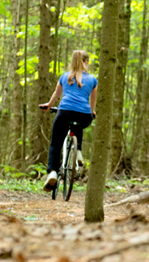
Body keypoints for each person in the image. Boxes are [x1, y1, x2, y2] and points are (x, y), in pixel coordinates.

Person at [39, 50, 98, 192]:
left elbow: (56, 94)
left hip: (64, 112)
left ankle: (53, 171)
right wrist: (91, 111)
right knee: (79, 125)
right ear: (86, 62)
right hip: (84, 115)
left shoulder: (64, 77)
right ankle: (78, 151)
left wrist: (48, 105)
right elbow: (93, 100)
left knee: (55, 143)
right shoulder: (92, 79)